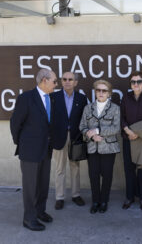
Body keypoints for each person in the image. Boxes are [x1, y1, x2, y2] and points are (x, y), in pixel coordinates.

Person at [10, 68, 57, 231]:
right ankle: (29, 219)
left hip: (46, 149)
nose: (56, 85)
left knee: (43, 184)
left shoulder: (51, 98)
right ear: (44, 80)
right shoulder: (26, 98)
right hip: (29, 150)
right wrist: (22, 143)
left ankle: (40, 211)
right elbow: (15, 123)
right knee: (30, 186)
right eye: (54, 81)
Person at [79, 80, 120, 214]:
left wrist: (97, 131)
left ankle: (104, 201)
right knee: (93, 175)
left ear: (109, 93)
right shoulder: (88, 108)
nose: (101, 93)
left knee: (107, 175)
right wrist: (90, 136)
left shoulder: (115, 108)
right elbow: (82, 126)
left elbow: (116, 128)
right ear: (95, 92)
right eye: (98, 90)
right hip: (92, 148)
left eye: (104, 91)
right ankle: (95, 201)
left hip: (108, 148)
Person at [51, 72, 87, 210]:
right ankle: (59, 197)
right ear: (61, 81)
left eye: (70, 79)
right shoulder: (53, 97)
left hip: (75, 137)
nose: (67, 81)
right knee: (60, 168)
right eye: (64, 79)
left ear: (75, 82)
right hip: (59, 137)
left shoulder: (82, 98)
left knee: (75, 167)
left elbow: (84, 118)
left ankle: (76, 195)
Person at [121, 71, 142, 210]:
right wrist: (128, 131)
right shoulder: (126, 97)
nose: (136, 84)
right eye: (133, 82)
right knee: (129, 169)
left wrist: (137, 132)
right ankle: (130, 197)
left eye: (139, 81)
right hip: (128, 138)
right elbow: (121, 117)